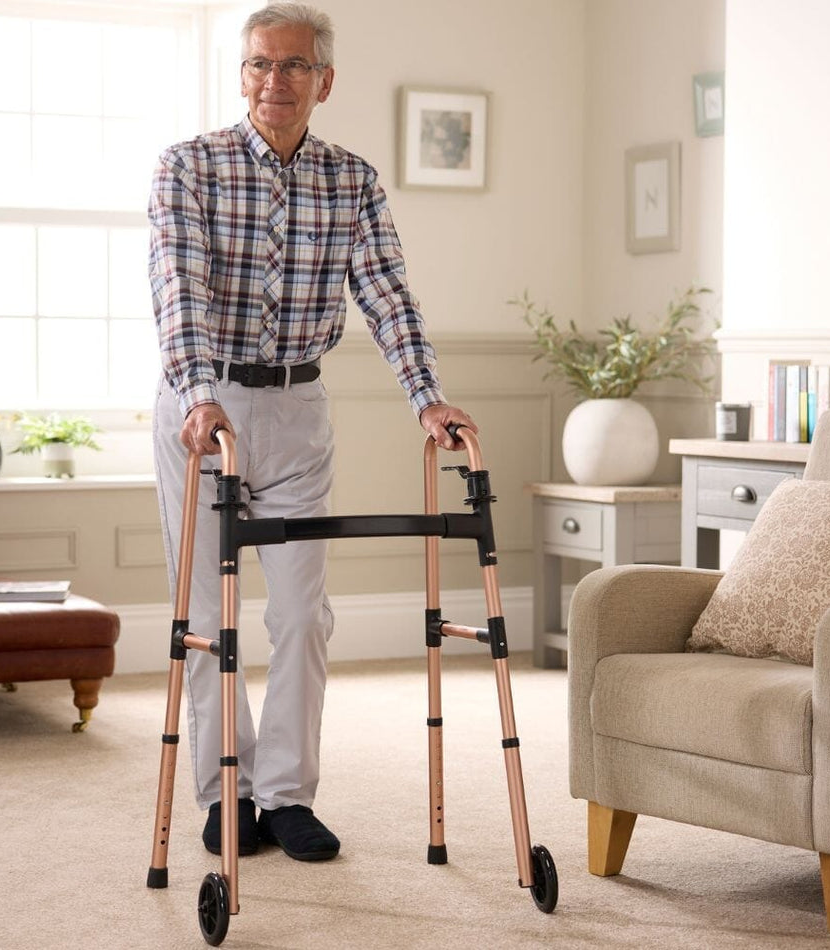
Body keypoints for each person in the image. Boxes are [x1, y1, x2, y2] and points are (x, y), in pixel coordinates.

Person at [148, 0, 477, 863]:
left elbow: (388, 296)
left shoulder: (352, 180)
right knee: (210, 614)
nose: (275, 81)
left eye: (294, 65)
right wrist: (197, 394)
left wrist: (428, 399)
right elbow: (178, 287)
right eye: (260, 64)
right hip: (205, 409)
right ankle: (228, 791)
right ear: (242, 75)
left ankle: (287, 795)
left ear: (324, 81)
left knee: (303, 614)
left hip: (298, 409)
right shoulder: (189, 166)